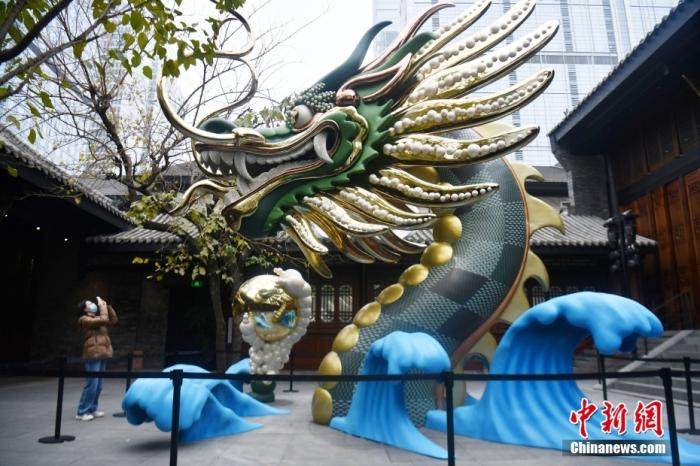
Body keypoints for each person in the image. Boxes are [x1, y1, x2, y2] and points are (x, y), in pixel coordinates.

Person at [75, 297, 118, 421]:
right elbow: (103, 319)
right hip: (92, 354)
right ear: (85, 309)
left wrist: (107, 306)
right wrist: (102, 307)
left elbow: (113, 320)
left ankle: (92, 408)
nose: (93, 304)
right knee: (92, 384)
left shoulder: (97, 319)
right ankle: (82, 412)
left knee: (98, 385)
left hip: (102, 353)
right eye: (90, 303)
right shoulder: (84, 320)